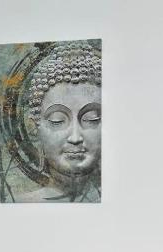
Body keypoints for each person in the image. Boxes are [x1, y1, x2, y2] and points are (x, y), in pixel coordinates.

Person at [19, 41, 101, 203]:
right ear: (35, 128)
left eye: (91, 119)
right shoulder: (21, 204)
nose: (75, 138)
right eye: (57, 121)